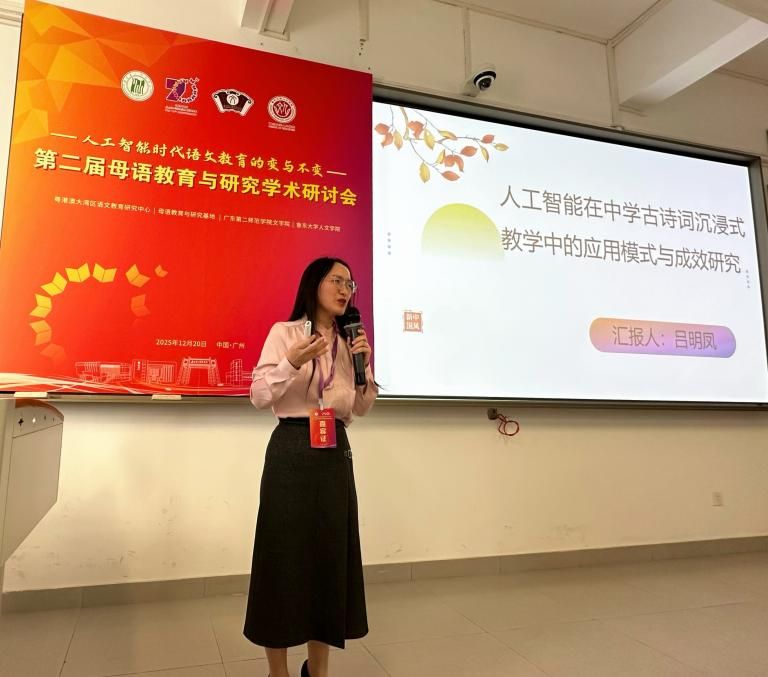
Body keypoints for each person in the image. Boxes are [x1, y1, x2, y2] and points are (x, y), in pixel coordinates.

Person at [243, 257, 377, 677]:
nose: (345, 290)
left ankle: (317, 671)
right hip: (291, 450)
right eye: (336, 281)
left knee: (328, 561)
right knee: (282, 559)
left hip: (334, 450)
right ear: (313, 284)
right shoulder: (284, 334)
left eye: (350, 284)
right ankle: (278, 672)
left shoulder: (350, 341)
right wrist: (291, 363)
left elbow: (360, 408)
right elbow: (259, 396)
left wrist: (364, 369)